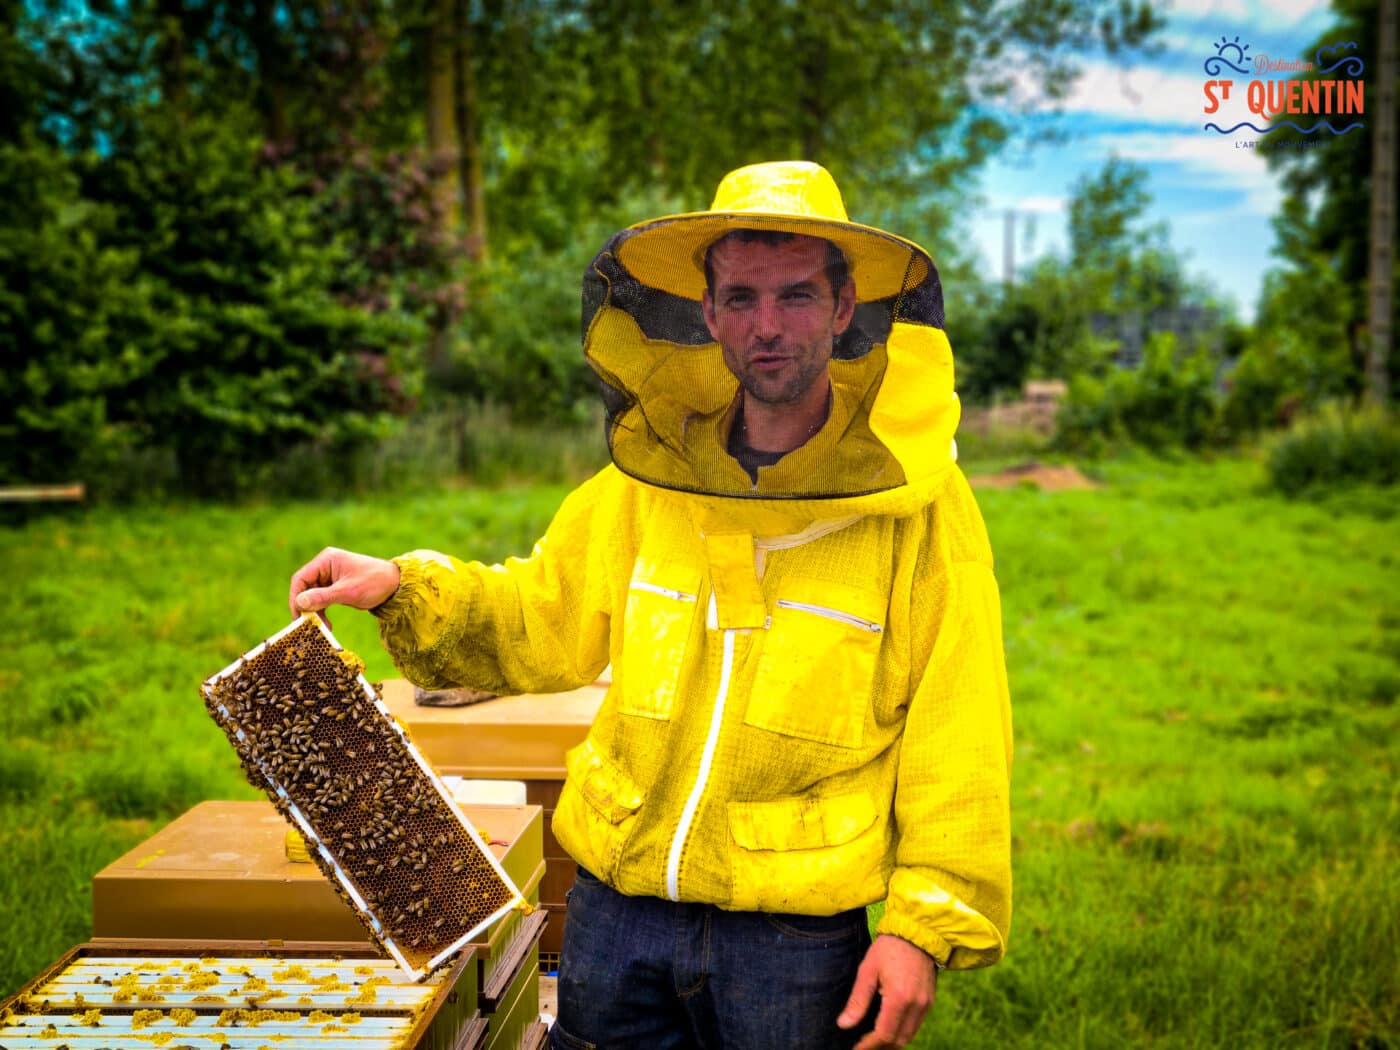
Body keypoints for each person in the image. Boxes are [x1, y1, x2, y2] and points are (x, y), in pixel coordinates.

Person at [289, 160, 1012, 1050]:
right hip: (614, 909)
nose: (768, 327)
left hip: (790, 934)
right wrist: (404, 586)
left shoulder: (919, 507)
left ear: (845, 306)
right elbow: (541, 616)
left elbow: (960, 719)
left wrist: (920, 925)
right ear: (707, 314)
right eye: (741, 299)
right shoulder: (649, 479)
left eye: (795, 296)